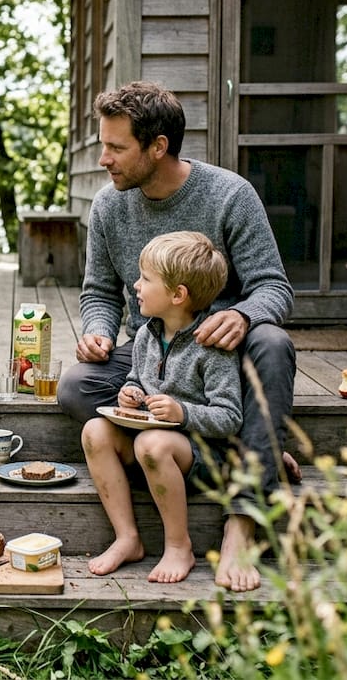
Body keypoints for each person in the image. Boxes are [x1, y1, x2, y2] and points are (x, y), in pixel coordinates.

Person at [57, 81, 299, 592]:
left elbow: (274, 288)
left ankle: (243, 520)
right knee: (77, 386)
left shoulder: (230, 195)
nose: (103, 159)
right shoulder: (108, 206)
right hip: (154, 350)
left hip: (220, 355)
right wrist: (98, 332)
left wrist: (244, 316)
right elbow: (99, 292)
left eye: (116, 147)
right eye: (103, 145)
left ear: (158, 147)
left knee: (274, 345)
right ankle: (251, 441)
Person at [83, 231, 241, 583]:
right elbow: (137, 379)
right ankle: (127, 538)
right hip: (151, 448)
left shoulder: (211, 347)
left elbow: (230, 417)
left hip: (202, 456)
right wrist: (130, 392)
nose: (136, 286)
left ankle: (179, 546)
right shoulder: (146, 335)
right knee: (94, 431)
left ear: (177, 295)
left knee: (150, 443)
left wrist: (183, 413)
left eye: (145, 279)